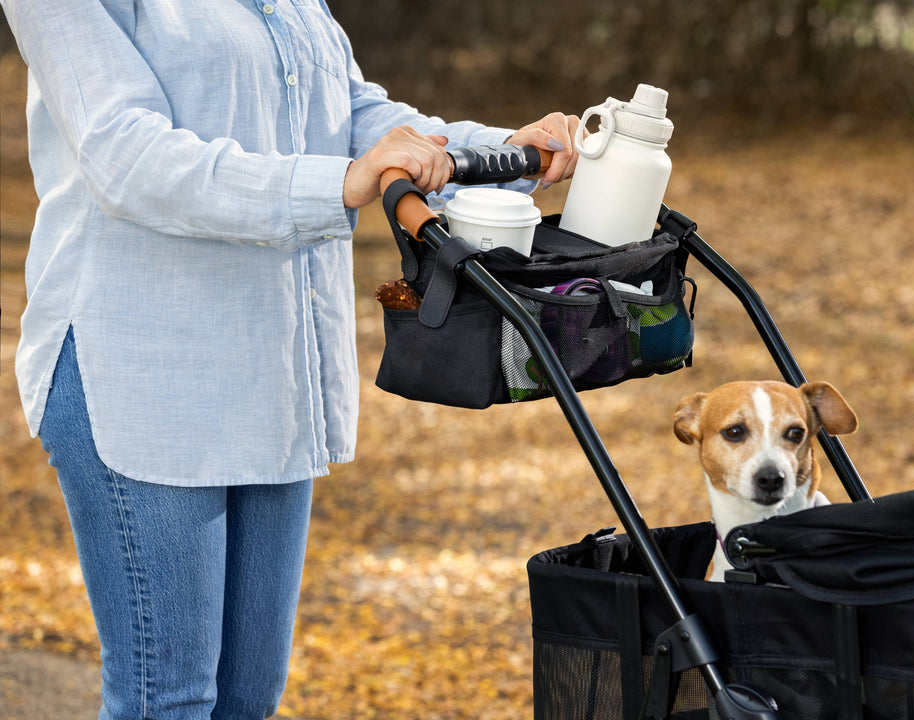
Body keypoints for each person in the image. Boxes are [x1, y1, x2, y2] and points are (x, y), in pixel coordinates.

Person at [0, 1, 579, 718]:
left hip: (271, 366)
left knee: (248, 699)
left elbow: (349, 112)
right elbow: (123, 152)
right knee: (169, 700)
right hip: (142, 368)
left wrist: (498, 152)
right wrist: (340, 183)